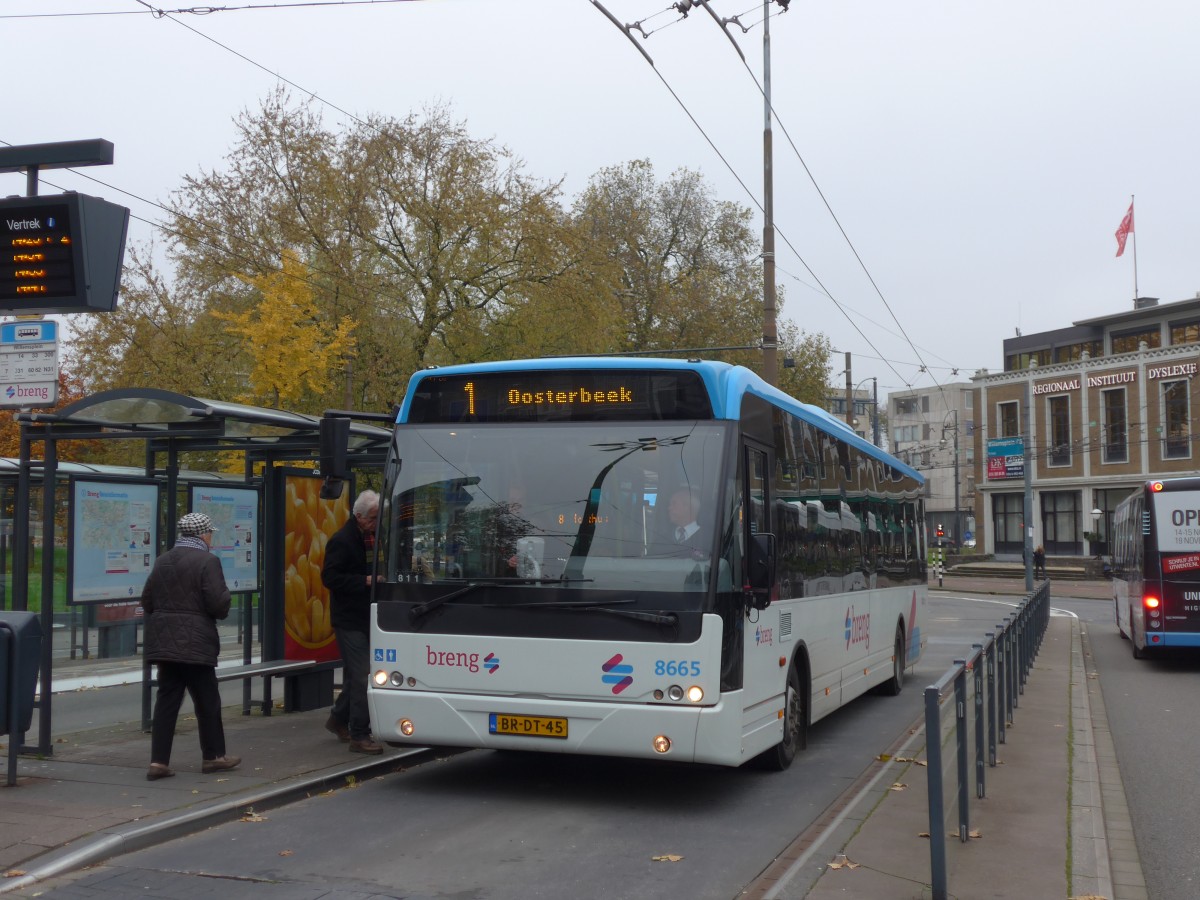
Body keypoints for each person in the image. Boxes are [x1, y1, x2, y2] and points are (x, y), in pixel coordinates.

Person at [142, 512, 241, 781]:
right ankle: (213, 757)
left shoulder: (163, 560)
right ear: (203, 534)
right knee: (207, 701)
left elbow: (147, 600)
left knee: (166, 701)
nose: (211, 538)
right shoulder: (208, 561)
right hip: (196, 643)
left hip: (166, 643)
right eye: (210, 534)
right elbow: (218, 604)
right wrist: (224, 600)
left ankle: (158, 762)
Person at [322, 489, 384, 755]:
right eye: (372, 518)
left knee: (358, 674)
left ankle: (338, 718)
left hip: (370, 615)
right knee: (362, 675)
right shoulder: (342, 540)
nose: (375, 522)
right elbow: (330, 578)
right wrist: (364, 581)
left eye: (378, 517)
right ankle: (359, 734)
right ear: (358, 516)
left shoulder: (375, 537)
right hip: (349, 618)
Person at [667, 487, 707, 555]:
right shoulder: (662, 536)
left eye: (674, 504)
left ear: (688, 507)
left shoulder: (708, 539)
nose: (669, 508)